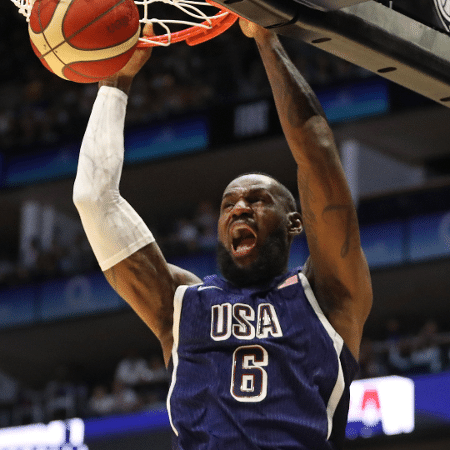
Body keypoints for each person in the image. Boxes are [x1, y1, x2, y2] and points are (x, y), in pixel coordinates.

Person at [73, 19, 372, 450]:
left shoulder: (329, 295)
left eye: (258, 200)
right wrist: (116, 79)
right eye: (228, 204)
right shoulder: (182, 304)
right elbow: (93, 198)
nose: (239, 209)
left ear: (294, 224)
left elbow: (317, 154)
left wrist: (266, 39)